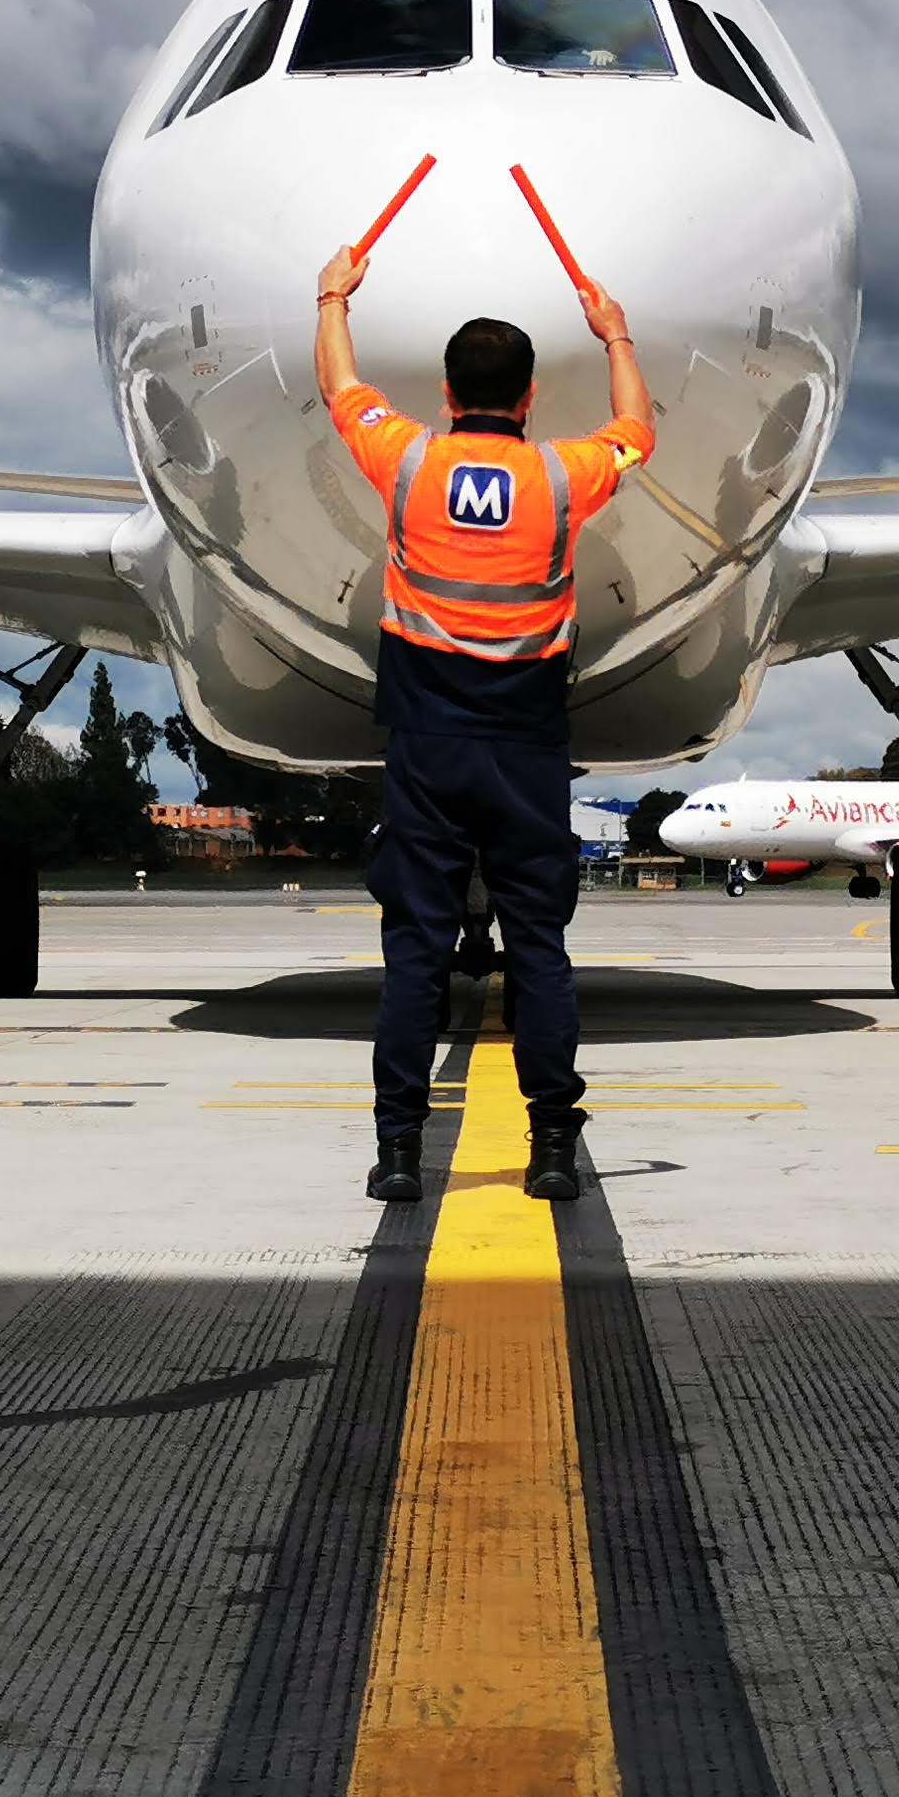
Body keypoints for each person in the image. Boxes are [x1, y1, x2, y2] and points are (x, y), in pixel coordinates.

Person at [315, 236, 653, 1207]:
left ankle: (398, 1151)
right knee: (538, 949)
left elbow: (342, 390)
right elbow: (636, 428)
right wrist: (616, 332)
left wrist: (335, 300)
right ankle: (552, 1145)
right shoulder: (564, 475)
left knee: (416, 951)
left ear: (451, 395)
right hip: (527, 751)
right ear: (531, 396)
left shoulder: (407, 460)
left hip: (428, 746)